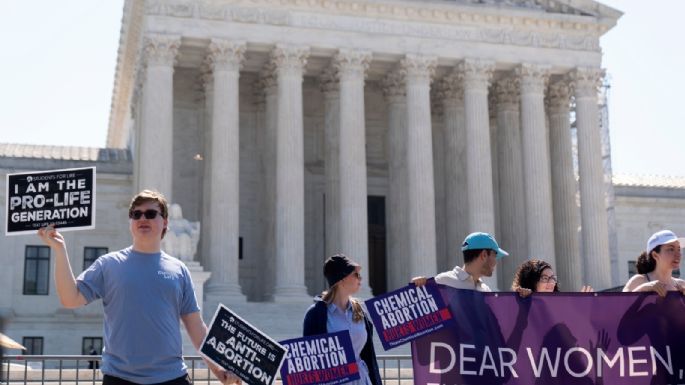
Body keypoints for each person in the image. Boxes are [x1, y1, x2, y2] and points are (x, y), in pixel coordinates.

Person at [38, 190, 240, 385]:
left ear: (165, 223)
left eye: (151, 213)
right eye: (136, 214)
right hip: (119, 379)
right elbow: (70, 299)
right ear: (130, 223)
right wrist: (60, 251)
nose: (143, 218)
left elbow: (196, 328)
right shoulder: (108, 264)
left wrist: (218, 370)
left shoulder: (179, 270)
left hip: (171, 378)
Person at [302, 254, 382, 385]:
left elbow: (368, 356)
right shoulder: (316, 314)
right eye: (355, 275)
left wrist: (419, 287)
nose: (360, 278)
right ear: (341, 279)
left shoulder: (360, 312)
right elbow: (309, 360)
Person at [412, 232, 508, 292]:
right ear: (484, 255)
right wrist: (416, 287)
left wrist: (521, 299)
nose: (496, 262)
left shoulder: (485, 290)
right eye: (495, 256)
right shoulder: (444, 281)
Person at [623, 229, 685, 296]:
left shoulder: (682, 284)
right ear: (655, 255)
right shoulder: (638, 281)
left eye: (678, 249)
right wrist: (643, 288)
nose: (678, 254)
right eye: (671, 249)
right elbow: (620, 305)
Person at [511, 259, 593, 295]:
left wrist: (583, 304)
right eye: (545, 278)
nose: (551, 282)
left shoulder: (560, 306)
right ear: (531, 281)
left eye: (553, 278)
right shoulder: (521, 305)